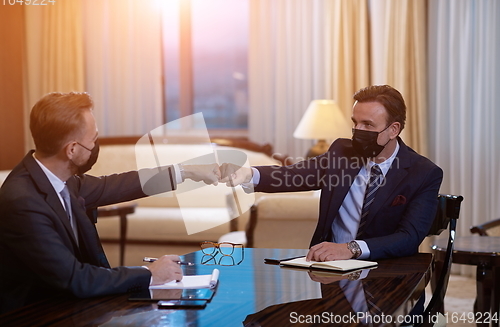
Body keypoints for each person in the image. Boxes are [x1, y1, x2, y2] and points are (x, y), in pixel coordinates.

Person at [0, 92, 221, 313]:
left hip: (69, 303)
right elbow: (76, 279)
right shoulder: (23, 202)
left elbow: (117, 185)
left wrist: (185, 171)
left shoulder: (58, 178)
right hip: (32, 314)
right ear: (72, 149)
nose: (96, 145)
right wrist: (150, 273)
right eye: (93, 140)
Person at [220, 85, 443, 263]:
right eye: (355, 123)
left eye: (368, 125)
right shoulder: (342, 153)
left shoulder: (423, 173)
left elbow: (408, 238)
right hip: (329, 270)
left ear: (393, 129)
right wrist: (246, 174)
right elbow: (293, 174)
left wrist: (350, 249)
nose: (359, 132)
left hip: (387, 270)